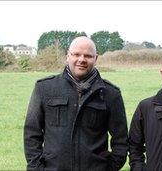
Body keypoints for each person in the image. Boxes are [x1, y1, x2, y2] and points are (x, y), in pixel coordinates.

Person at [24, 36, 128, 170]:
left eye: (88, 56)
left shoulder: (110, 94)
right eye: (76, 54)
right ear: (68, 56)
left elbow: (121, 140)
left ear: (96, 58)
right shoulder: (44, 88)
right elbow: (32, 134)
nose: (82, 59)